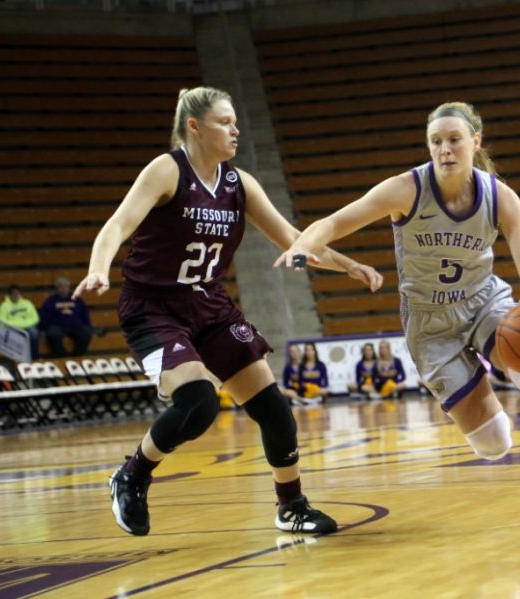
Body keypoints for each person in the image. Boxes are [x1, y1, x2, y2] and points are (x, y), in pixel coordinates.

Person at [275, 101, 520, 520]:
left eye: (454, 140)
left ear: (474, 142)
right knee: (494, 444)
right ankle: (473, 378)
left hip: (485, 301)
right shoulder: (406, 189)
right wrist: (303, 245)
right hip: (430, 325)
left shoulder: (500, 196)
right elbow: (333, 223)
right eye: (436, 142)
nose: (445, 149)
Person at [73, 86, 383, 537]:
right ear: (194, 127)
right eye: (224, 122)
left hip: (210, 305)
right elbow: (118, 224)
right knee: (198, 403)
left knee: (275, 410)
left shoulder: (240, 184)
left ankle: (291, 506)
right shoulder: (167, 170)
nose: (235, 129)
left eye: (236, 121)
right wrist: (99, 268)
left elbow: (292, 237)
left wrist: (350, 264)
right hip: (154, 308)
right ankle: (133, 474)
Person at [40, 276, 92, 357]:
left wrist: (88, 325)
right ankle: (62, 357)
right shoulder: (51, 300)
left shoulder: (76, 298)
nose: (63, 288)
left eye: (66, 286)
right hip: (58, 326)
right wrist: (44, 328)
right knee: (53, 334)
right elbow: (45, 315)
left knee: (86, 333)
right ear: (57, 288)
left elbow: (84, 313)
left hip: (75, 326)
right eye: (61, 286)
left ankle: (77, 356)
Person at [0, 284, 40, 360]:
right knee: (15, 335)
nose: (16, 296)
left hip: (27, 327)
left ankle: (34, 357)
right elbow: (1, 320)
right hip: (12, 328)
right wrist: (16, 325)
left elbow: (36, 318)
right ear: (9, 295)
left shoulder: (27, 303)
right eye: (14, 294)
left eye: (18, 293)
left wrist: (23, 324)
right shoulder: (4, 305)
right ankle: (18, 359)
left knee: (34, 333)